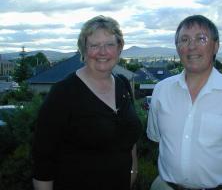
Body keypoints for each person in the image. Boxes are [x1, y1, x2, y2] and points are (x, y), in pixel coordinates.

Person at [147, 15, 222, 190]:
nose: (192, 46)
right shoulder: (161, 90)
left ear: (216, 46)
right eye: (184, 40)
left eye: (201, 39)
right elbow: (157, 140)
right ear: (178, 48)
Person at [32, 15, 142, 190]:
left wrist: (131, 174)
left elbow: (130, 139)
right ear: (84, 50)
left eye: (109, 44)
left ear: (119, 48)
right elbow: (43, 160)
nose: (103, 52)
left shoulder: (123, 85)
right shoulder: (63, 93)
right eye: (94, 45)